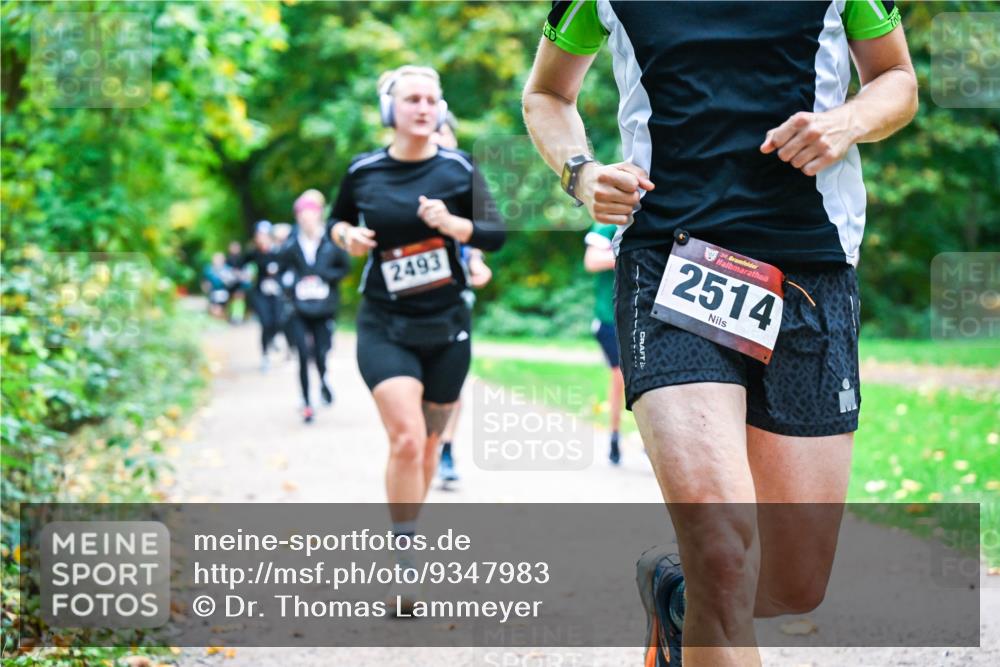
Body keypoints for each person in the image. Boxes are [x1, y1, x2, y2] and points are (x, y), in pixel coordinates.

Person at [523, 2, 917, 665]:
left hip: (809, 271)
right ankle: (702, 581)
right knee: (723, 554)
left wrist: (847, 122)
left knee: (793, 585)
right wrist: (581, 172)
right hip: (669, 262)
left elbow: (897, 78)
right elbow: (547, 93)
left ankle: (678, 599)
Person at [328, 66, 505, 611]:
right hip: (385, 323)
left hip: (447, 328)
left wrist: (455, 226)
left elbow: (496, 234)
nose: (423, 108)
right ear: (391, 110)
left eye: (431, 99)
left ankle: (411, 523)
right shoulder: (363, 172)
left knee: (429, 445)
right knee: (407, 438)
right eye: (411, 99)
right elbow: (338, 223)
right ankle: (405, 560)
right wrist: (349, 237)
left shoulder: (458, 167)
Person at [429, 112, 495, 486]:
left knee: (453, 379)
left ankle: (447, 451)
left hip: (455, 301)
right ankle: (426, 446)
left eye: (446, 136)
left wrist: (477, 263)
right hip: (411, 305)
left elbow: (476, 241)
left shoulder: (461, 188)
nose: (441, 143)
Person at [282, 190, 351, 423]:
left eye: (310, 214)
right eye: (302, 215)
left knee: (321, 352)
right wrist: (292, 286)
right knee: (302, 353)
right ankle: (306, 401)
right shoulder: (291, 244)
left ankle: (323, 381)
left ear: (318, 216)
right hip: (299, 309)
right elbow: (282, 271)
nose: (306, 219)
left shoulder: (331, 242)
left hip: (324, 308)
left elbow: (345, 268)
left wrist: (325, 276)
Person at [583, 222, 624, 464]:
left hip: (644, 316)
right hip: (609, 317)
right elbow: (591, 261)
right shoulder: (608, 224)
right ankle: (615, 436)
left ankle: (648, 440)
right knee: (620, 376)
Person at [233, 220, 286, 372]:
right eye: (259, 235)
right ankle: (265, 356)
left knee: (278, 319)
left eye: (264, 235)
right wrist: (244, 275)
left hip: (276, 291)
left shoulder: (278, 251)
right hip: (260, 292)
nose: (261, 238)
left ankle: (273, 338)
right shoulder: (253, 252)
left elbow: (288, 266)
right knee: (265, 322)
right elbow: (240, 266)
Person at [202, 252, 233, 319]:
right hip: (213, 292)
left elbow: (231, 281)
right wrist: (205, 286)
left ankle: (221, 315)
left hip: (223, 291)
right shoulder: (209, 269)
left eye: (219, 259)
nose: (216, 261)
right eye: (215, 259)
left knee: (220, 309)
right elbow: (204, 280)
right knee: (213, 309)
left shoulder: (227, 269)